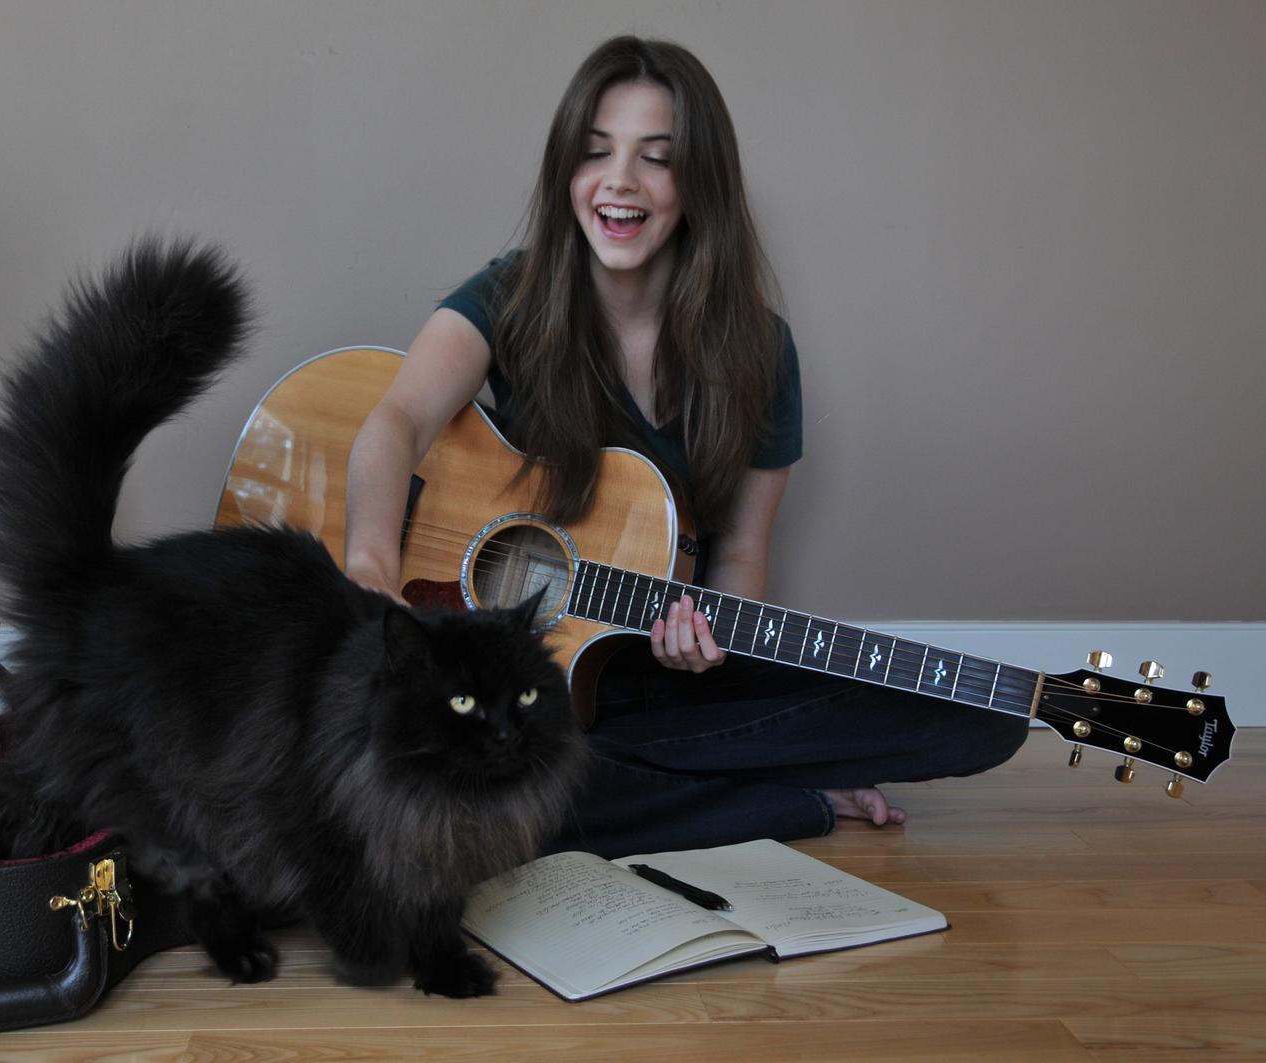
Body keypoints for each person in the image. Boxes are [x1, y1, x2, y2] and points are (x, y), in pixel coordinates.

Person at [344, 35, 1027, 857]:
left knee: (983, 719)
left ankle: (645, 787)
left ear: (699, 182)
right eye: (596, 152)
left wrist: (705, 647)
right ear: (567, 173)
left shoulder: (761, 351)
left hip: (641, 673)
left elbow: (739, 552)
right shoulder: (509, 297)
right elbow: (395, 424)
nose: (620, 180)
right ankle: (772, 800)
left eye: (656, 158)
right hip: (492, 689)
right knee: (493, 764)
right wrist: (370, 570)